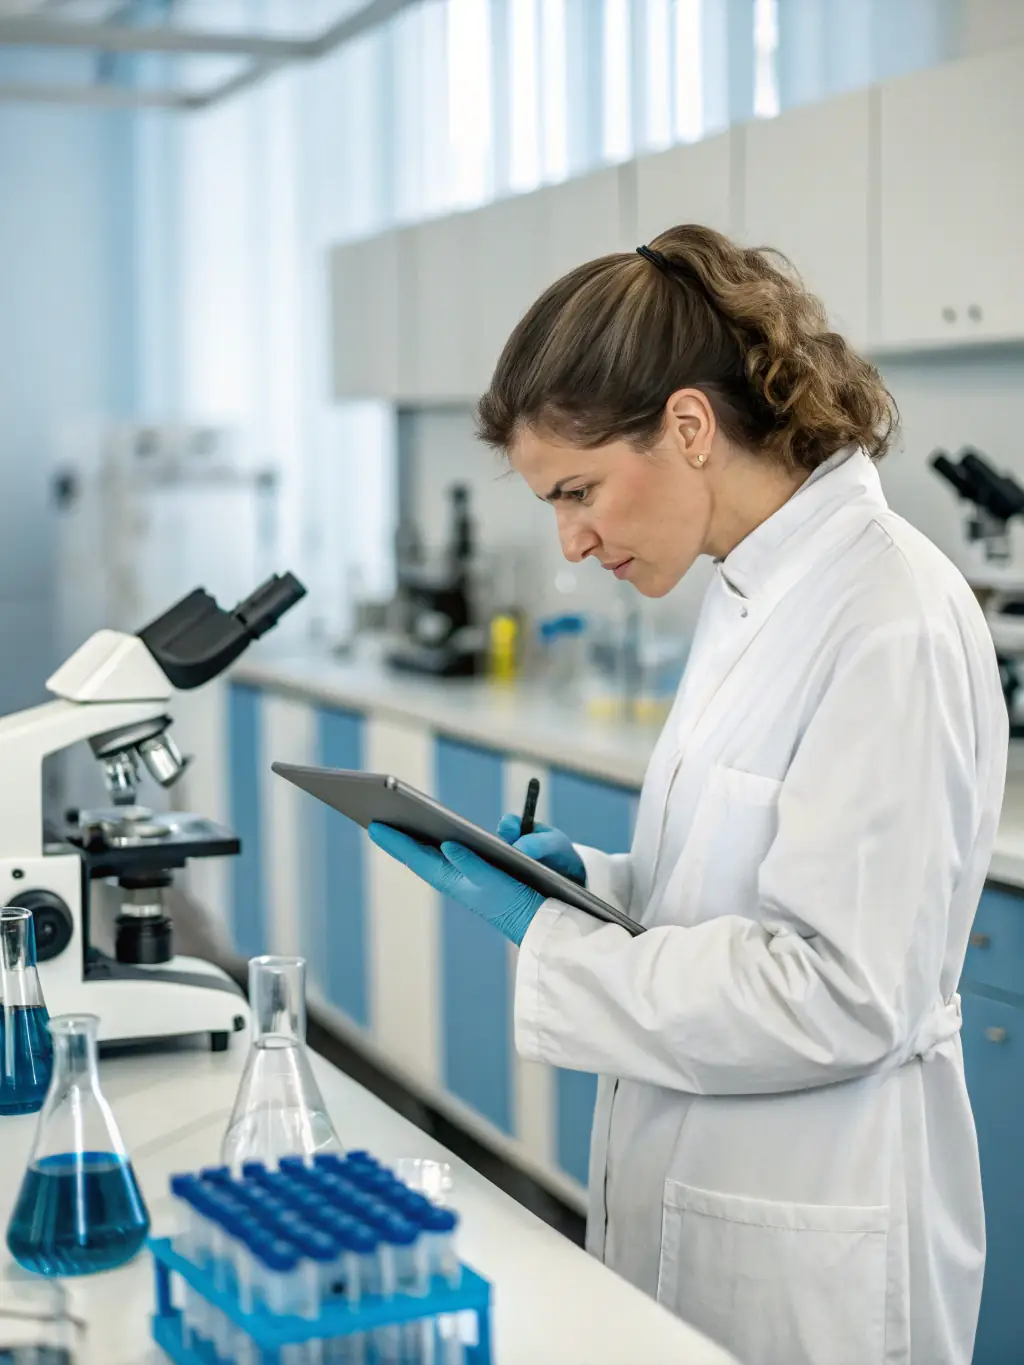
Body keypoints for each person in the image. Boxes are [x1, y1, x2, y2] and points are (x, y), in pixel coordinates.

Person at [369, 225, 1006, 1365]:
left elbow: (842, 993)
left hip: (819, 1225)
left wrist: (557, 947)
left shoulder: (883, 614)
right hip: (706, 1184)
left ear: (690, 428)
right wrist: (588, 886)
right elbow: (746, 881)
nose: (569, 542)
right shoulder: (752, 583)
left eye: (579, 491)